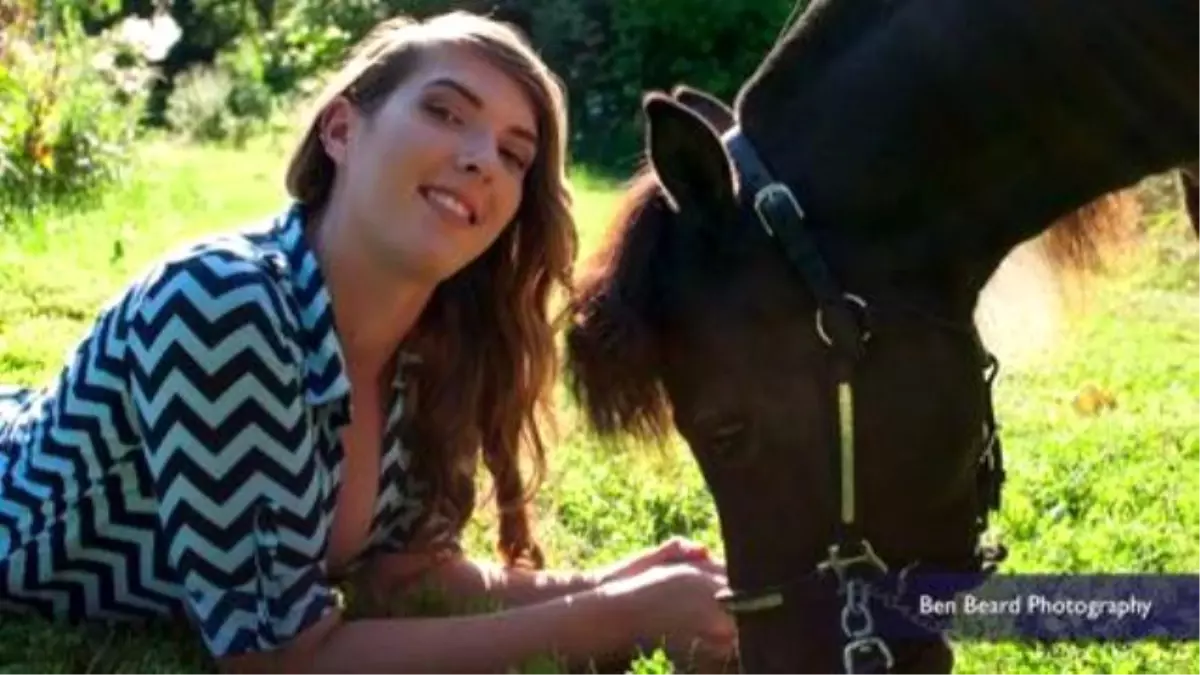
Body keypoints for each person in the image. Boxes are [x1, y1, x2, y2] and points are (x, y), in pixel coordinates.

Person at [0, 11, 737, 675]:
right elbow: (277, 656)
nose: (483, 157)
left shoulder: (434, 343)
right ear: (342, 130)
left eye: (515, 155)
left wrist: (617, 580)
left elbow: (406, 575)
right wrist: (622, 619)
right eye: (446, 112)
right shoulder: (226, 306)